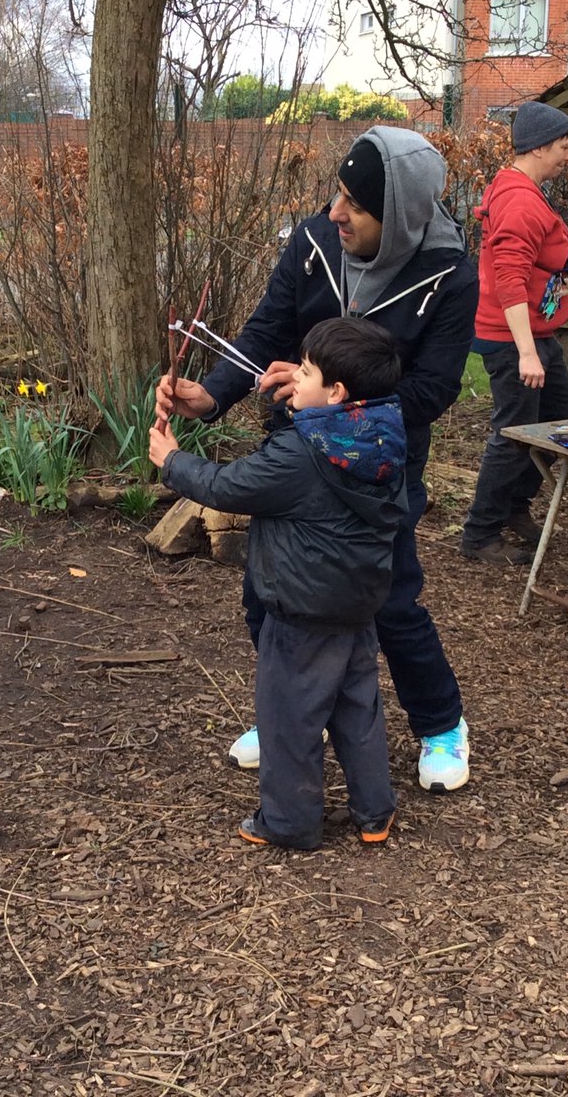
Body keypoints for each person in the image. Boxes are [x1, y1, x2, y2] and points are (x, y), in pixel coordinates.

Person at [156, 126, 478, 794]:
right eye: (336, 194)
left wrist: (332, 402)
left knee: (387, 600)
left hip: (377, 466)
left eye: (354, 206)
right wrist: (210, 394)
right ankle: (290, 713)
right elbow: (267, 327)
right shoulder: (313, 244)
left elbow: (434, 389)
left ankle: (441, 723)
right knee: (270, 593)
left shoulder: (448, 274)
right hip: (296, 452)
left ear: (400, 220)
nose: (335, 213)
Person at [149, 319, 408, 849]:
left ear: (336, 392)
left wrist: (171, 461)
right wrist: (283, 405)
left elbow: (232, 485)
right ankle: (374, 813)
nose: (295, 377)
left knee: (288, 716)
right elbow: (301, 442)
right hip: (355, 603)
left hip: (300, 607)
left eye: (306, 371)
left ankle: (288, 821)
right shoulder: (377, 433)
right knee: (357, 708)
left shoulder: (303, 455)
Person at [460, 100, 568, 567]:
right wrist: (527, 354)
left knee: (561, 417)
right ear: (538, 147)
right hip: (515, 339)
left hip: (533, 332)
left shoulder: (521, 188)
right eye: (564, 147)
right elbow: (509, 279)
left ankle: (514, 506)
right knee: (514, 434)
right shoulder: (519, 199)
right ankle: (479, 534)